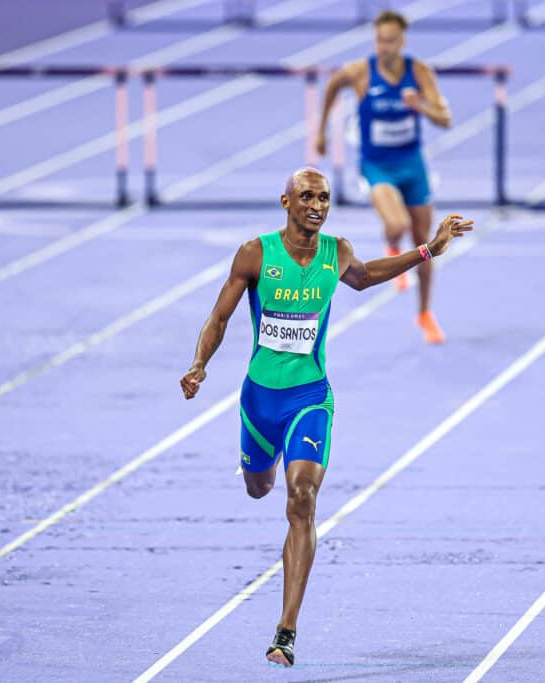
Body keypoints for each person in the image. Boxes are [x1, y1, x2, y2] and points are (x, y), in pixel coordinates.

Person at [179, 167, 472, 666]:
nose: (317, 205)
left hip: (309, 400)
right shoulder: (255, 254)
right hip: (258, 403)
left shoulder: (337, 252)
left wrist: (428, 249)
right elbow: (221, 316)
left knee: (302, 500)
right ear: (286, 201)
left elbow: (367, 276)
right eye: (307, 196)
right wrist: (198, 365)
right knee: (258, 487)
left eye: (325, 198)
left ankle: (285, 631)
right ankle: (259, 462)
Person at [315, 9, 452, 344]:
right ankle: (392, 245)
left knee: (427, 244)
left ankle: (424, 313)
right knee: (397, 225)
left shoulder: (418, 72)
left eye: (390, 41)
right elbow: (332, 86)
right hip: (377, 166)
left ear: (402, 41)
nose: (384, 47)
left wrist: (420, 106)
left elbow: (445, 118)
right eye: (379, 40)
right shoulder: (361, 72)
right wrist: (321, 131)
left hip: (412, 166)